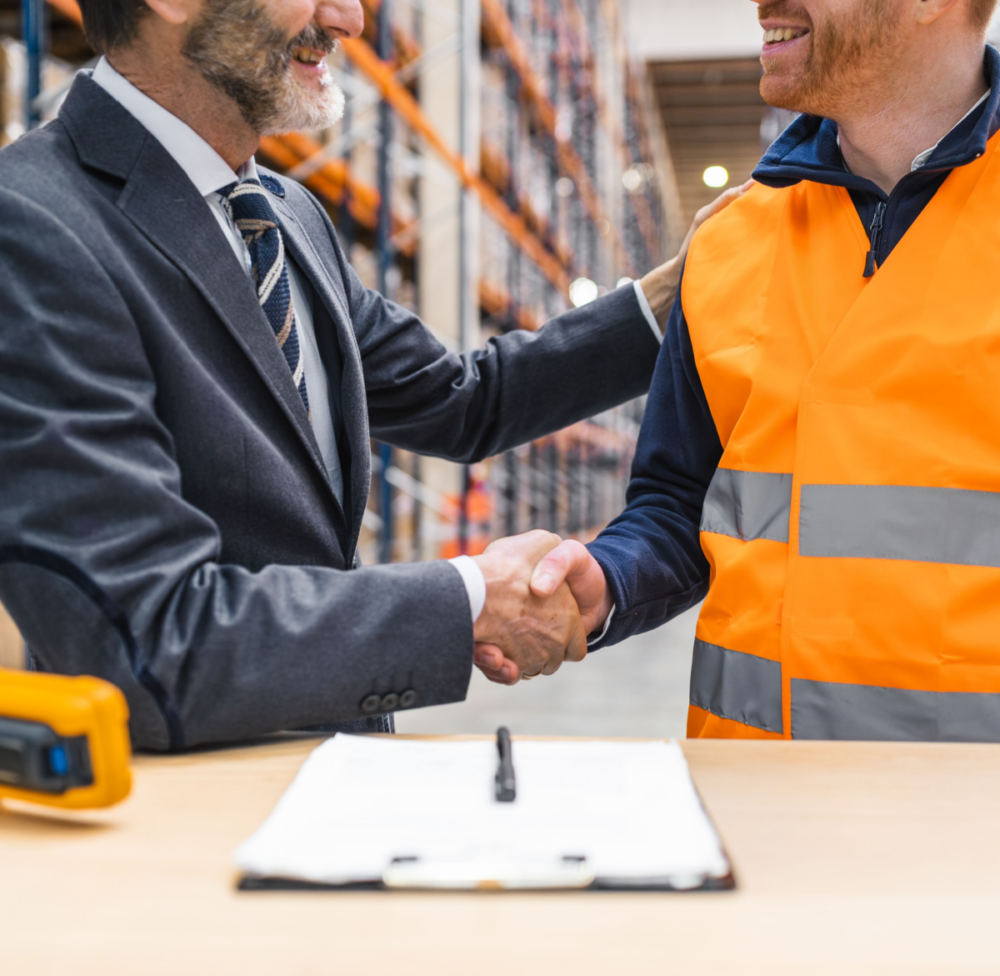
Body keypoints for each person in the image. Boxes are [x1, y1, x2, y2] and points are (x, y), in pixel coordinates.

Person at [0, 0, 726, 750]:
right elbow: (149, 636)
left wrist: (671, 299)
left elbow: (466, 400)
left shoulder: (286, 216)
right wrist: (470, 598)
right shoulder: (32, 226)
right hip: (187, 817)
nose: (349, 17)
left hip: (326, 786)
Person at [500, 0, 1000, 742]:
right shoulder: (731, 242)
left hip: (966, 824)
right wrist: (607, 578)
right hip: (751, 797)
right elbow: (677, 503)